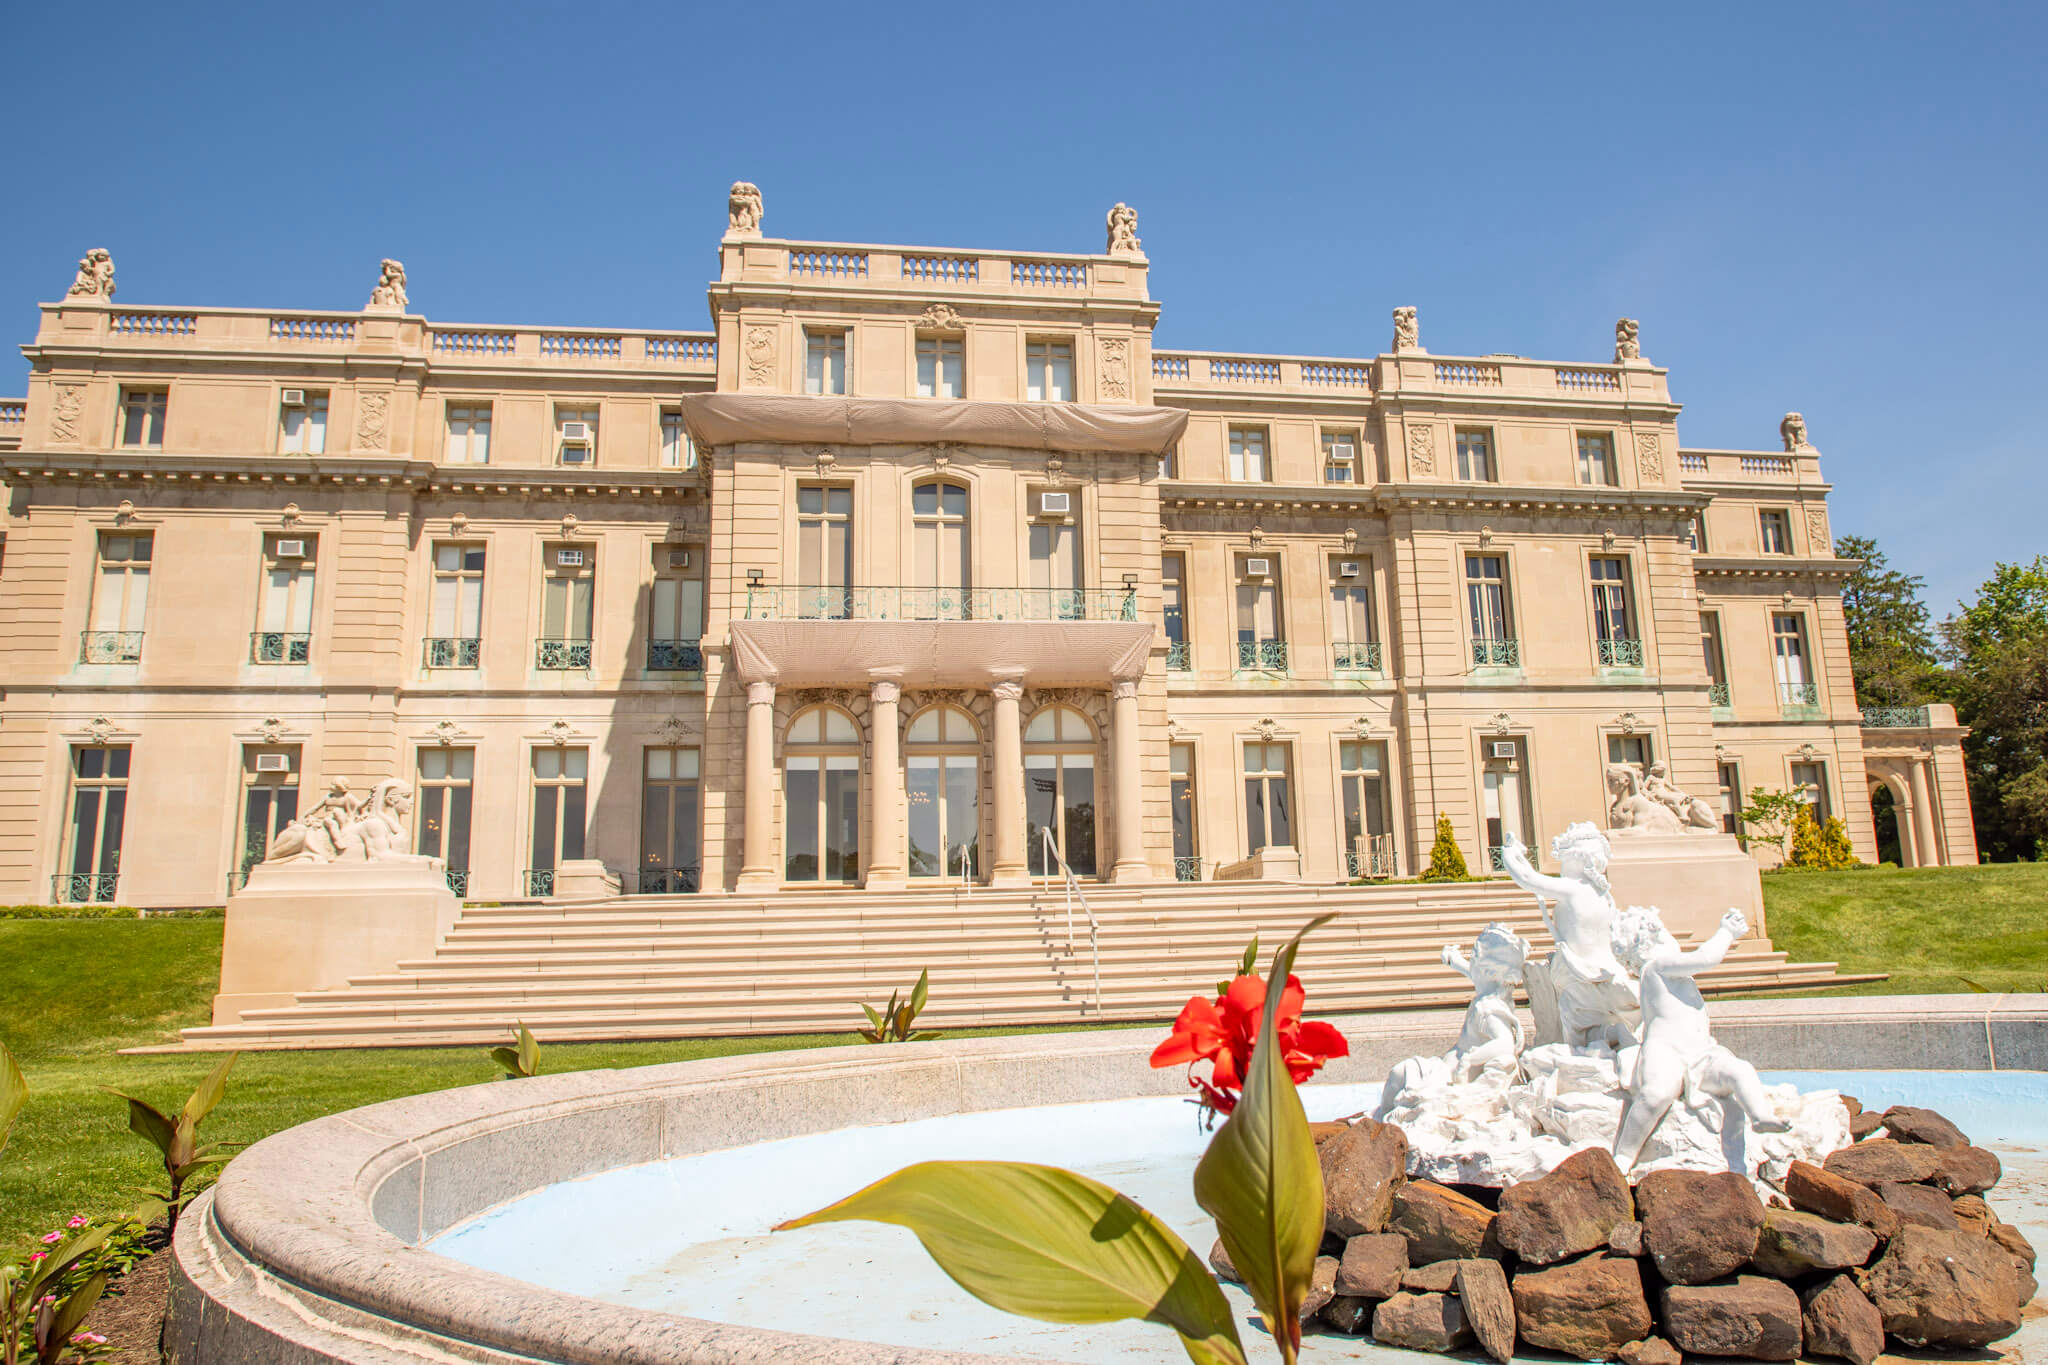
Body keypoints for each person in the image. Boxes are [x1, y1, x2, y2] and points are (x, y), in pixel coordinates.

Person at [1610, 906, 1790, 1170]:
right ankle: (1625, 1154)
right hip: (1665, 1051)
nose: (1672, 941)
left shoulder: (1672, 975)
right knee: (1655, 1094)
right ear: (1652, 942)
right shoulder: (1657, 967)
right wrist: (1727, 932)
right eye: (1665, 934)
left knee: (1740, 1070)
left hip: (1702, 1052)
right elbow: (1706, 958)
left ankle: (1759, 1115)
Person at [1499, 824, 1639, 1049]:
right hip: (1609, 971)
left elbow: (1527, 878)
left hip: (1580, 975)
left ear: (1577, 860)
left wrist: (1507, 852)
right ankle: (1616, 1040)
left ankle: (1586, 1057)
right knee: (1599, 1025)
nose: (1561, 866)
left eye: (1563, 859)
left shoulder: (1572, 888)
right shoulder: (1602, 894)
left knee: (1578, 1034)